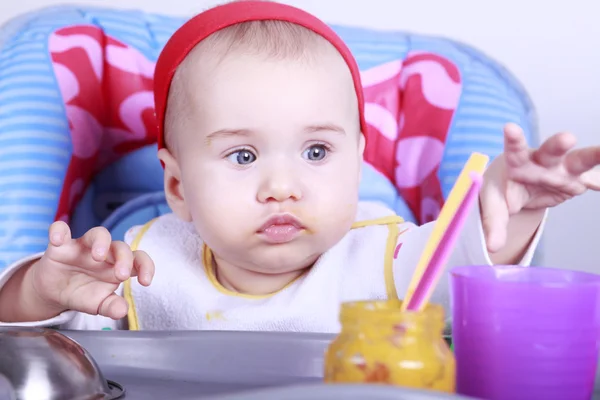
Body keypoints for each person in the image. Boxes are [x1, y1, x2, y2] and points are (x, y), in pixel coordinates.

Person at [0, 1, 598, 332]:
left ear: (359, 163)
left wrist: (508, 208)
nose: (281, 187)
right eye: (242, 155)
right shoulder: (142, 265)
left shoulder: (385, 261)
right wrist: (39, 288)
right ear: (177, 186)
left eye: (316, 152)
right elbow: (41, 345)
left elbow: (463, 268)